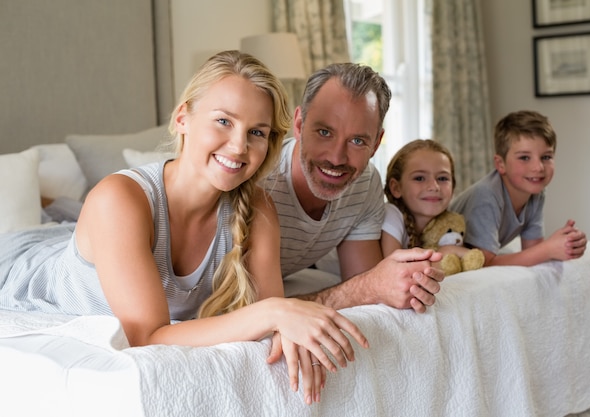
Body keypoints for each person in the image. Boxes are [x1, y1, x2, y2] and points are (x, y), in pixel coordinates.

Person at [0, 50, 368, 405]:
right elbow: (147, 336)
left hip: (96, 233)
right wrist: (274, 312)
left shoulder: (258, 206)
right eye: (223, 121)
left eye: (257, 132)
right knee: (70, 219)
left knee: (71, 220)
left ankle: (62, 212)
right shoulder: (120, 198)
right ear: (182, 119)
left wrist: (280, 318)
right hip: (20, 266)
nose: (239, 146)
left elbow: (272, 319)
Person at [261, 62, 445, 317]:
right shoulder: (259, 179)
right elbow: (259, 313)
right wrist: (369, 287)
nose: (337, 158)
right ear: (299, 124)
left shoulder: (364, 184)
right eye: (324, 132)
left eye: (357, 141)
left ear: (376, 144)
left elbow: (366, 289)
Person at [449, 110, 587, 266]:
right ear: (501, 164)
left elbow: (533, 250)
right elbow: (485, 263)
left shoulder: (536, 193)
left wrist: (566, 243)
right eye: (524, 157)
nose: (538, 167)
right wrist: (548, 249)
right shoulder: (486, 195)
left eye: (546, 157)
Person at [380, 139, 475, 263]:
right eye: (419, 178)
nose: (434, 186)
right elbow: (393, 269)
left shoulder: (448, 223)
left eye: (442, 178)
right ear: (396, 188)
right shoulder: (392, 215)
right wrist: (444, 253)